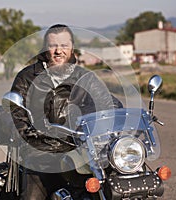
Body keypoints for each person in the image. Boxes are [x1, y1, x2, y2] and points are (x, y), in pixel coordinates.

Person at [9, 24, 122, 199]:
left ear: (72, 48)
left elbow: (107, 104)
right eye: (53, 45)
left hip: (79, 150)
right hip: (40, 155)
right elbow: (16, 113)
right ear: (45, 48)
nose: (58, 51)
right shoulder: (26, 77)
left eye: (64, 46)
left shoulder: (86, 78)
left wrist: (117, 122)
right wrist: (32, 137)